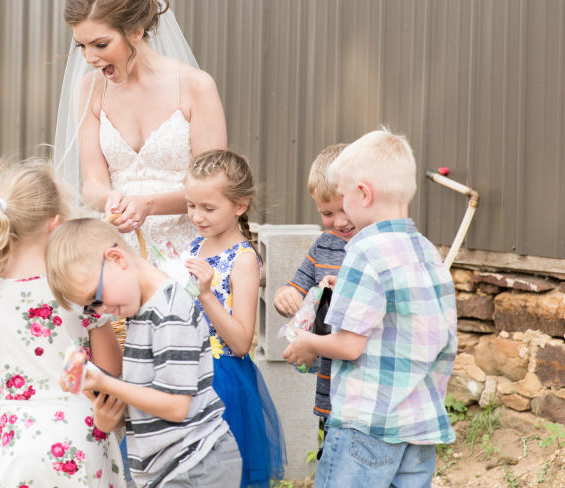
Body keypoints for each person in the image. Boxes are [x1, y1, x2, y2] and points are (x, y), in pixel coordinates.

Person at [282, 128, 458, 488]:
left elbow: (349, 345)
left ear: (363, 193)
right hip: (418, 427)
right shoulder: (425, 250)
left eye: (344, 198)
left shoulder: (363, 251)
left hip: (366, 427)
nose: (342, 211)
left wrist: (307, 342)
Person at [0, 165, 126, 487]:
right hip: (82, 431)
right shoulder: (79, 287)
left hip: (19, 440)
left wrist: (25, 383)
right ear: (55, 224)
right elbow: (110, 367)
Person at [46, 218, 241, 488]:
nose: (100, 311)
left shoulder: (170, 310)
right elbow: (151, 394)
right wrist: (109, 416)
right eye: (91, 309)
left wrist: (106, 382)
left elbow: (175, 405)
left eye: (97, 298)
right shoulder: (138, 310)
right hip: (170, 468)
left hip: (195, 464)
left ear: (116, 258)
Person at [55, 0, 227, 259]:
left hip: (188, 252)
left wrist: (148, 205)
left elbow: (212, 188)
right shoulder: (88, 90)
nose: (89, 58)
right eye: (81, 45)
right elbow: (93, 183)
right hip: (120, 251)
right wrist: (109, 199)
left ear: (135, 30)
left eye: (100, 44)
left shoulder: (195, 87)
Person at [183, 150, 286, 488]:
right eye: (191, 205)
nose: (197, 216)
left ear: (240, 205)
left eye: (208, 208)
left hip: (222, 381)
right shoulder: (195, 246)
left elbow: (241, 342)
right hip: (185, 374)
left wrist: (205, 293)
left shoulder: (243, 260)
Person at [273, 143, 354, 450]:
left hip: (362, 388)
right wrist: (286, 295)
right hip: (329, 387)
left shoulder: (373, 248)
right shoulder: (324, 245)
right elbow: (298, 285)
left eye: (345, 209)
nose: (340, 221)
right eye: (328, 213)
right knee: (330, 454)